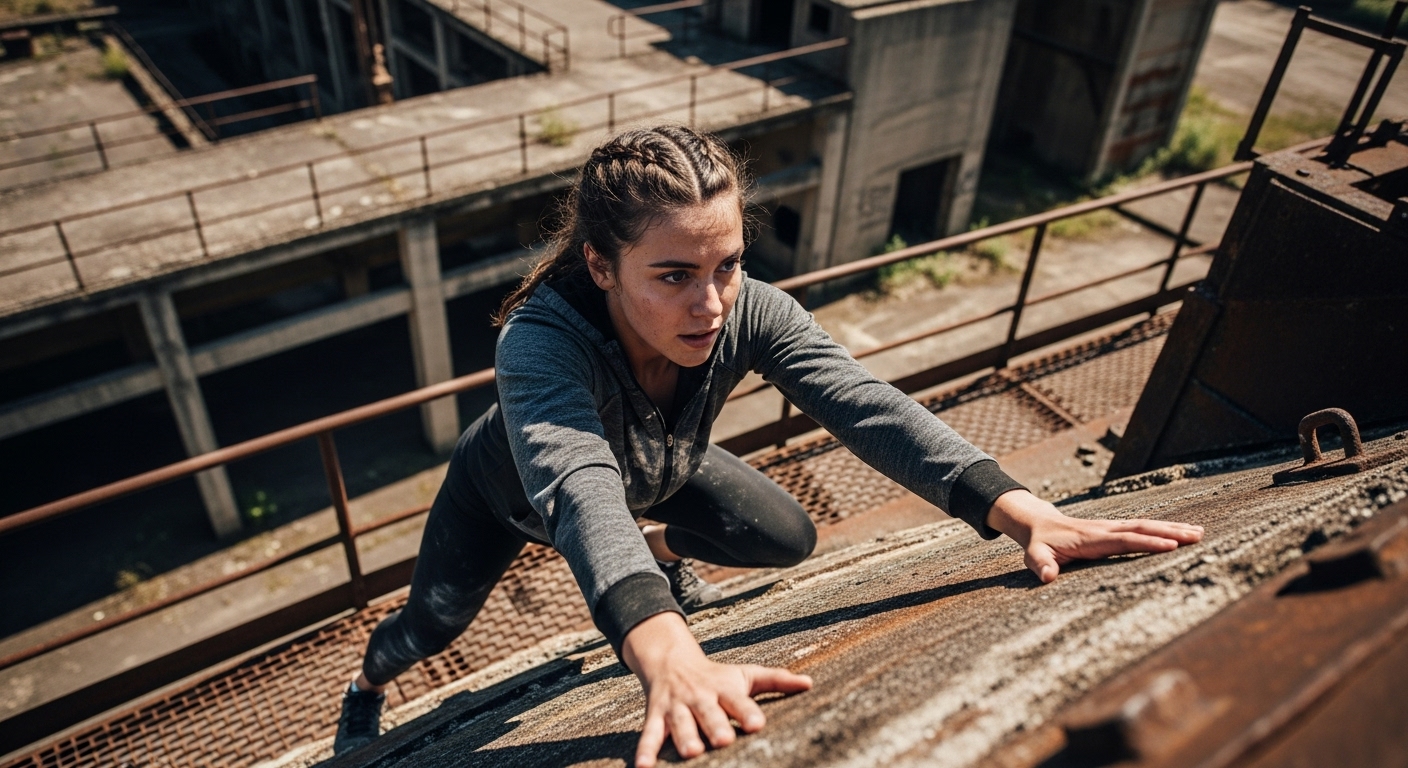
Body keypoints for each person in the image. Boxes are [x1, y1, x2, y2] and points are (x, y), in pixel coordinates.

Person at [333, 125, 1203, 767]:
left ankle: (655, 549)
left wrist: (1023, 513)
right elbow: (579, 486)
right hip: (514, 496)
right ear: (601, 265)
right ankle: (364, 691)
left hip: (658, 470)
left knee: (784, 537)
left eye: (727, 265)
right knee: (433, 623)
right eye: (672, 276)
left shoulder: (752, 310)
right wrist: (669, 655)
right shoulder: (540, 343)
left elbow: (864, 404)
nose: (710, 305)